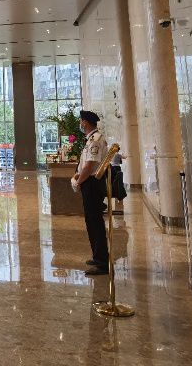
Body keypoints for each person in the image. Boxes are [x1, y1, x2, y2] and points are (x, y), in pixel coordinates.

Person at [72, 110, 110, 276]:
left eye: (81, 121)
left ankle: (102, 263)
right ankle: (97, 256)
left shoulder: (95, 140)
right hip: (90, 182)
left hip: (92, 183)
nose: (80, 124)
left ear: (85, 122)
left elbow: (89, 166)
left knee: (95, 222)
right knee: (92, 220)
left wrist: (79, 181)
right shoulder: (92, 139)